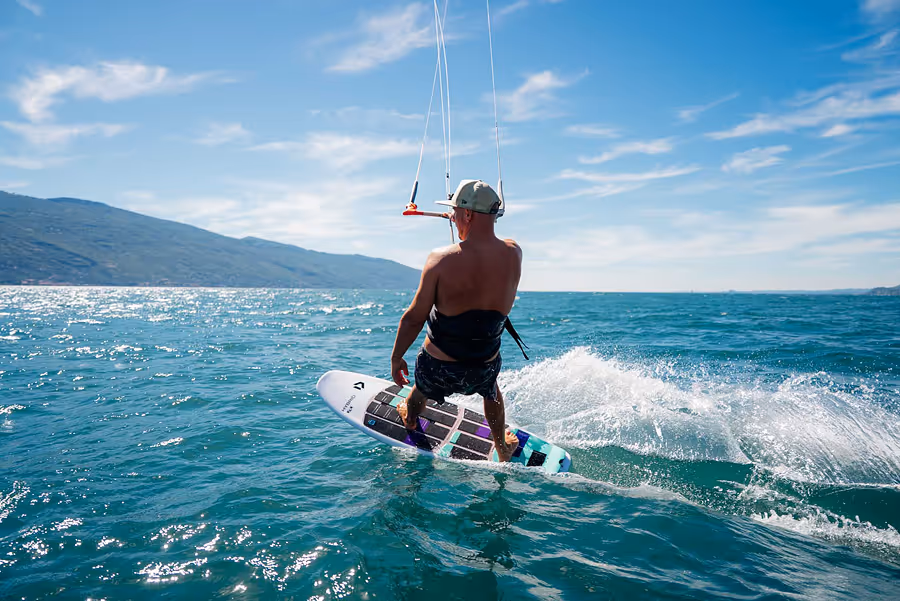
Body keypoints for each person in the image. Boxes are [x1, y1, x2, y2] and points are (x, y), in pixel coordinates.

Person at [389, 179, 527, 462]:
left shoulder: (440, 259)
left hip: (438, 368)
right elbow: (486, 241)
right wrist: (475, 224)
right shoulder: (514, 253)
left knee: (421, 387)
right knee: (491, 392)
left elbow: (415, 317)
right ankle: (501, 447)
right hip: (484, 368)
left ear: (467, 214)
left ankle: (411, 417)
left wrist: (396, 358)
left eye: (454, 212)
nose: (451, 217)